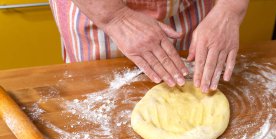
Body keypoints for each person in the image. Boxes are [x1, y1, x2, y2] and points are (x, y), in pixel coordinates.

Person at [49, 0, 249, 93]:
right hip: (99, 10)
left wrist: (229, 9)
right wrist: (116, 18)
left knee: (191, 81)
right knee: (96, 96)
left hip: (191, 6)